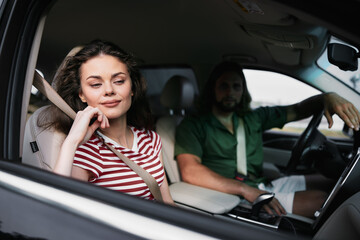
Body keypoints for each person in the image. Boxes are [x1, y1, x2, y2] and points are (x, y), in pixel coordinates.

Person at [174, 61, 360, 217]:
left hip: (261, 185)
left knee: (334, 182)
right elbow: (190, 171)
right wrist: (245, 190)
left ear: (243, 90)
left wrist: (327, 97)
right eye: (224, 86)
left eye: (236, 86)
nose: (230, 92)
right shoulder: (193, 126)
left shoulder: (254, 118)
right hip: (233, 194)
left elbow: (297, 110)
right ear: (213, 89)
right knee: (323, 201)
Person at [39, 39, 174, 205]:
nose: (109, 90)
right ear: (82, 94)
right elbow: (55, 208)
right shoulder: (87, 151)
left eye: (119, 81)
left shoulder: (151, 140)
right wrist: (72, 142)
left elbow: (167, 203)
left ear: (132, 87)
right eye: (96, 84)